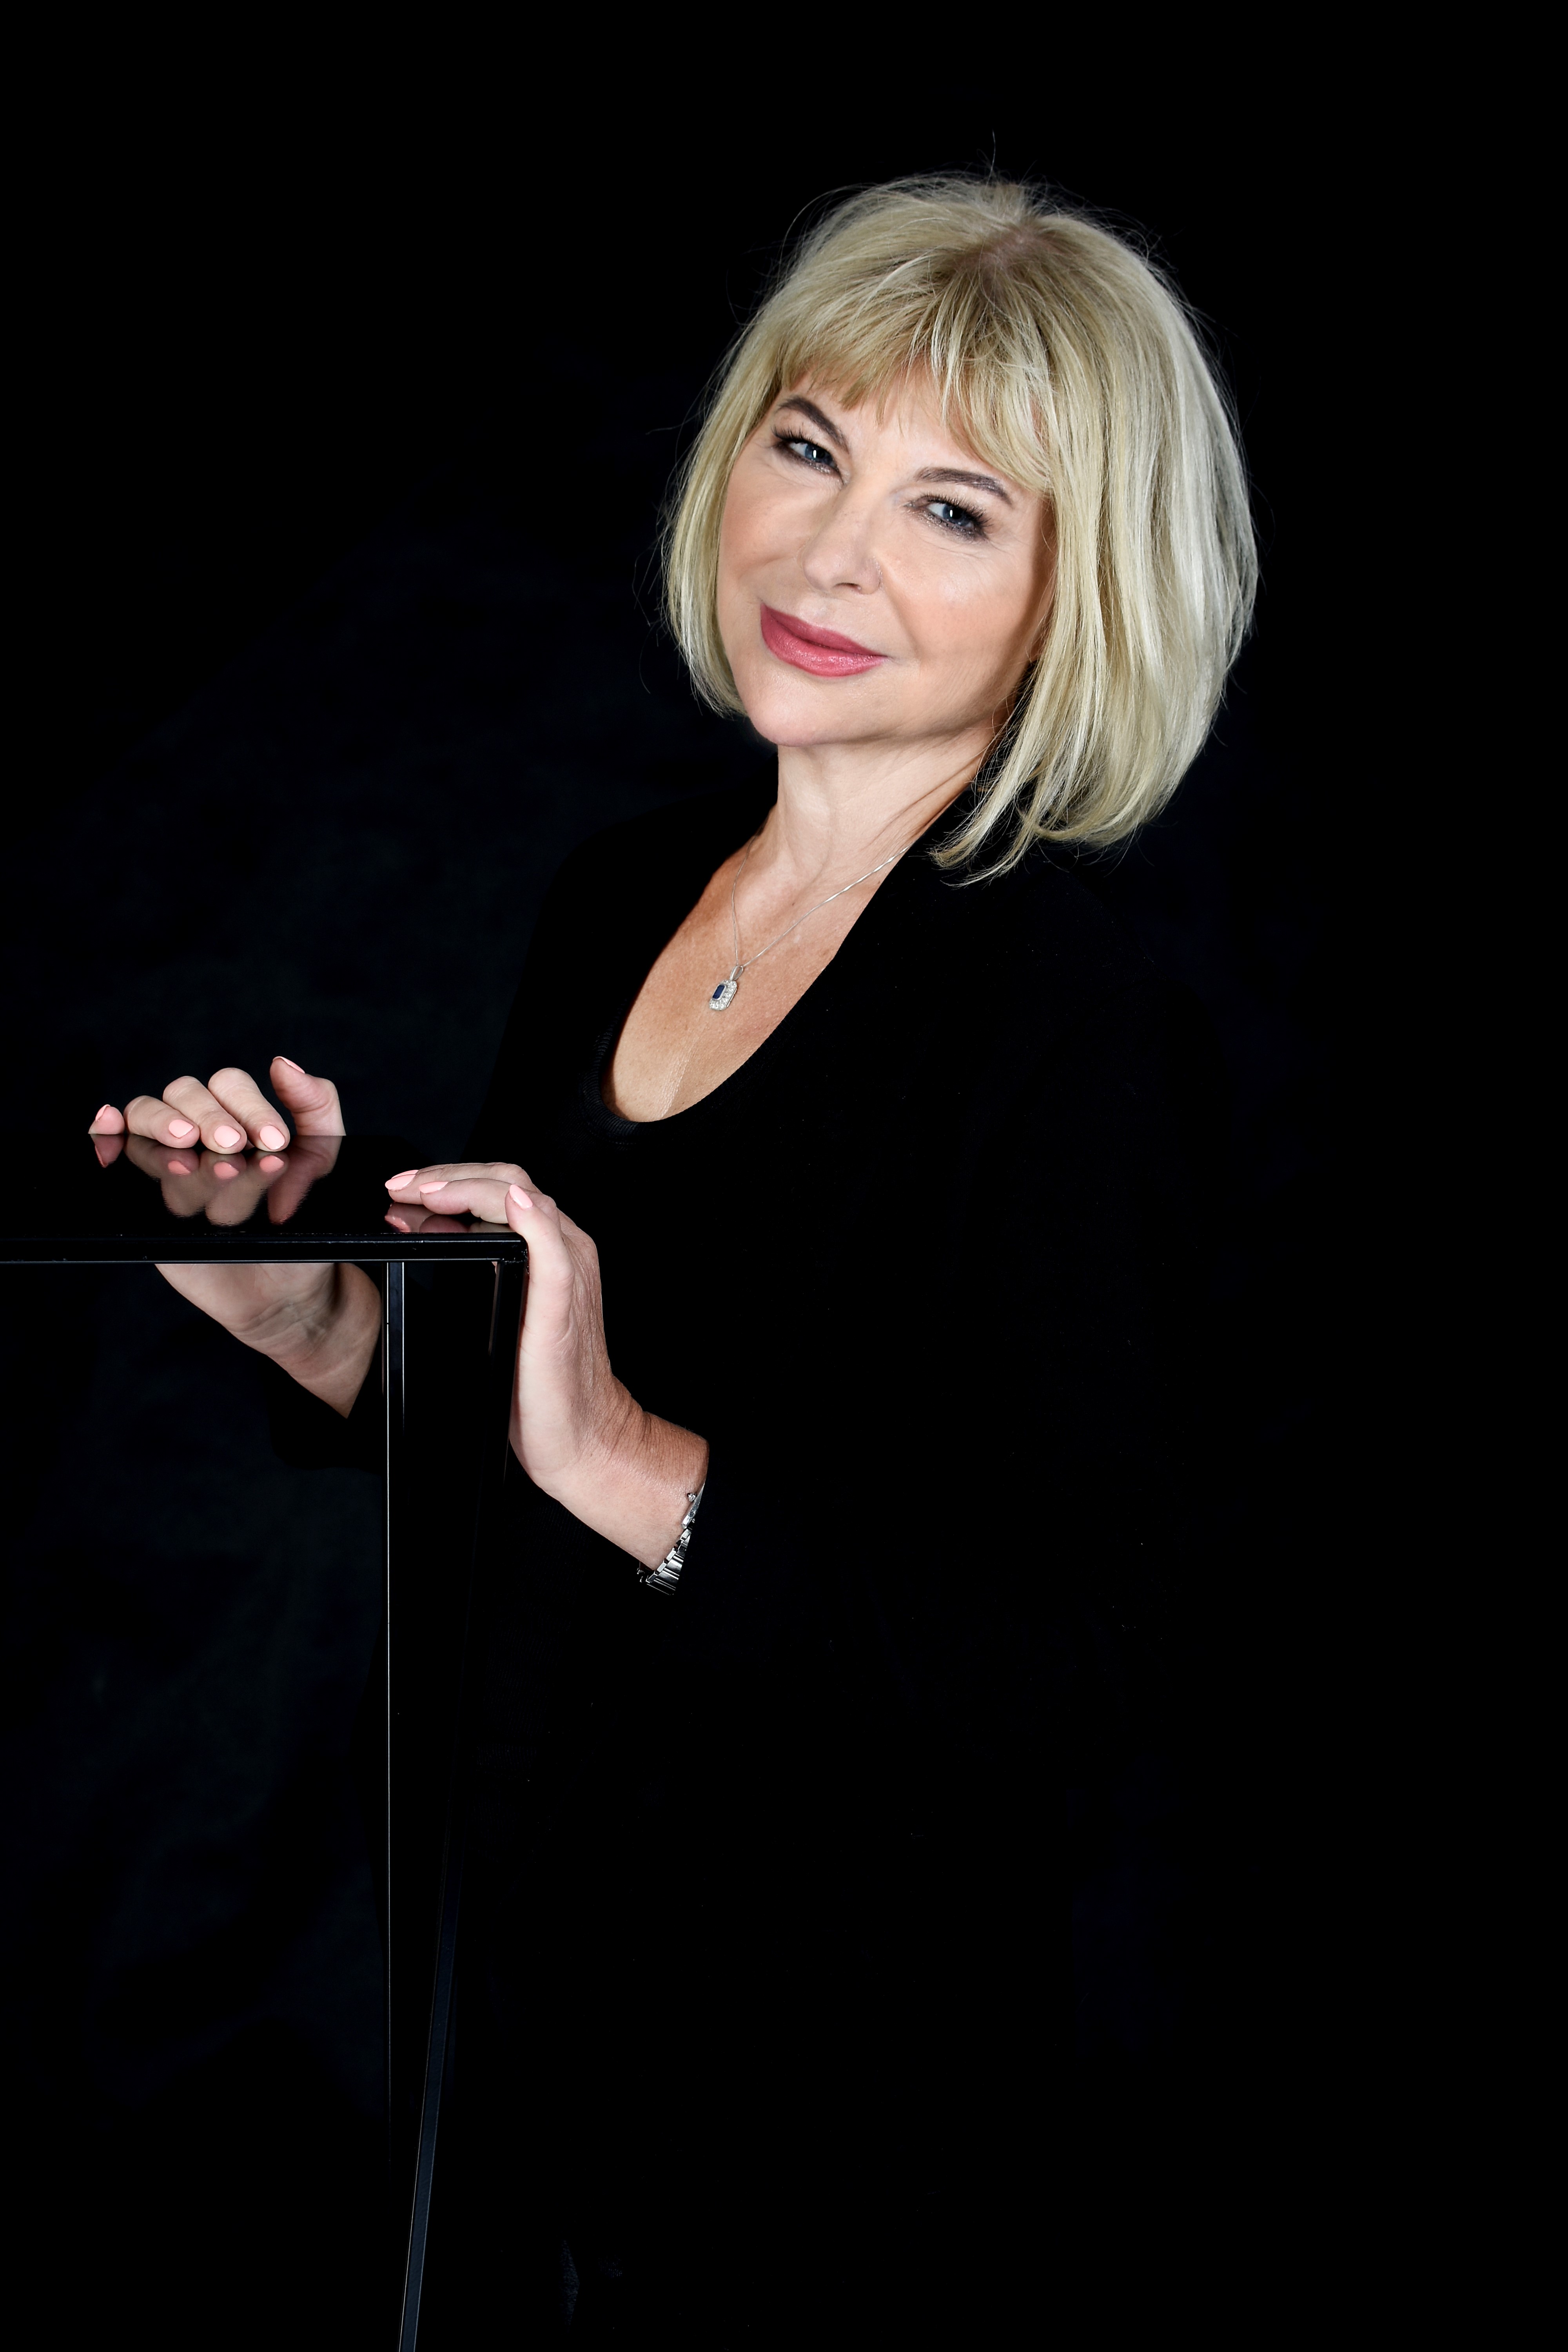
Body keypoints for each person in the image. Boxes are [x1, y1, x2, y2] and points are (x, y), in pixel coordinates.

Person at [89, 177, 1255, 2338]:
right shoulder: (627, 894)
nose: (831, 553)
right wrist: (313, 1311)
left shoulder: (1077, 1026)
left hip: (839, 2135)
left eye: (953, 510)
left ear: (1079, 593)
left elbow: (1086, 1662)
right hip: (528, 2028)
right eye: (809, 448)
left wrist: (635, 1452)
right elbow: (529, 1446)